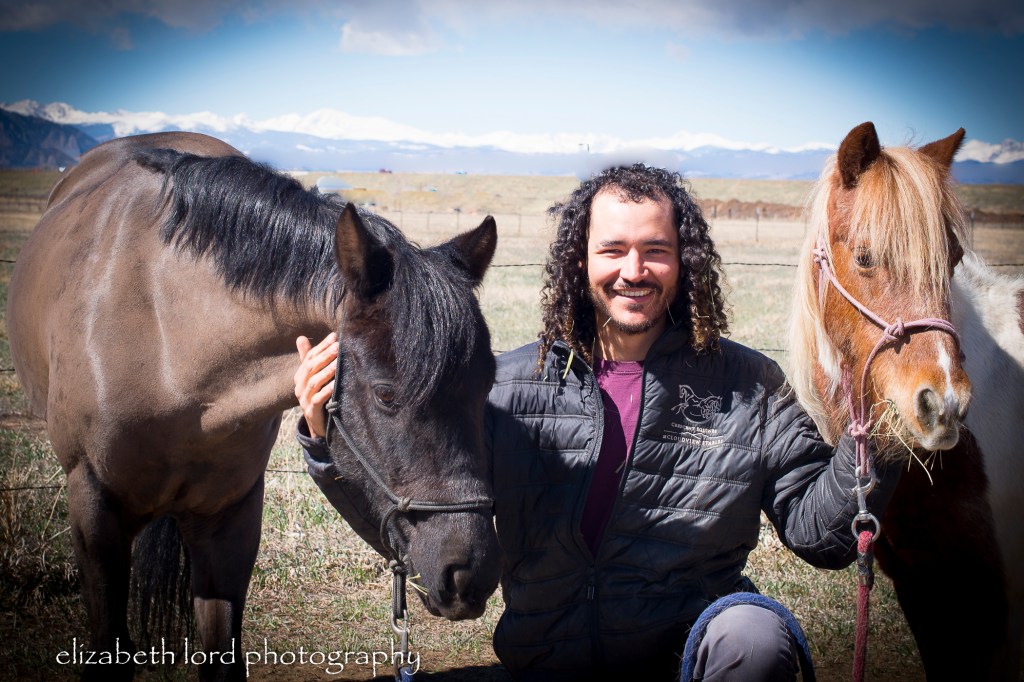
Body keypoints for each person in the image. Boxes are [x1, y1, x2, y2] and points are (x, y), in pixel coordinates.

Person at [293, 164, 901, 682]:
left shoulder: (748, 384)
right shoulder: (508, 387)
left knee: (754, 637)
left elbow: (821, 534)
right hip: (544, 663)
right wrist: (324, 442)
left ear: (684, 260)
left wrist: (880, 431)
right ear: (579, 260)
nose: (633, 269)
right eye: (612, 250)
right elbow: (427, 529)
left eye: (655, 250)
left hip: (687, 661)